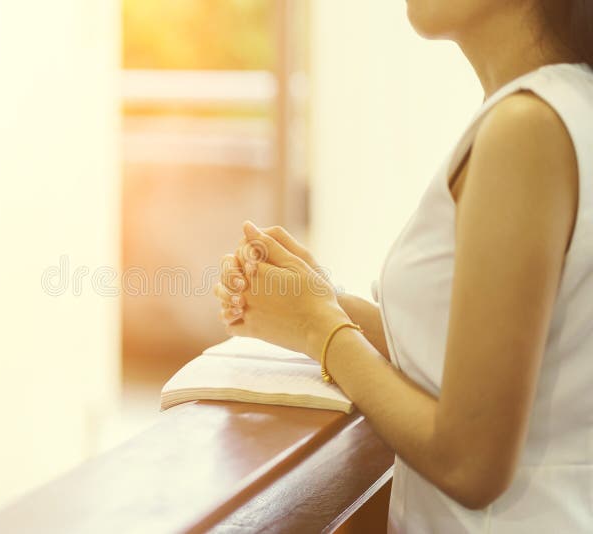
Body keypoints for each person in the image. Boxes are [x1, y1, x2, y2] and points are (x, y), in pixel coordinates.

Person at [214, 1, 593, 532]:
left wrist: (318, 328)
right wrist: (322, 300)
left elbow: (470, 461)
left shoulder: (524, 126)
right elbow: (480, 365)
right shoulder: (568, 101)